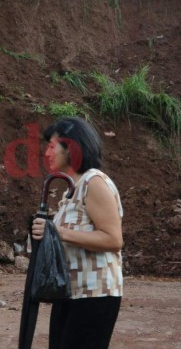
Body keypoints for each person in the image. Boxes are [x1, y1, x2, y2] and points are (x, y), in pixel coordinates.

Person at [31, 116, 124, 349]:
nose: (47, 153)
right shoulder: (71, 191)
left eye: (53, 147)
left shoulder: (94, 183)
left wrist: (56, 232)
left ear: (72, 148)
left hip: (95, 294)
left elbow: (113, 239)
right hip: (71, 292)